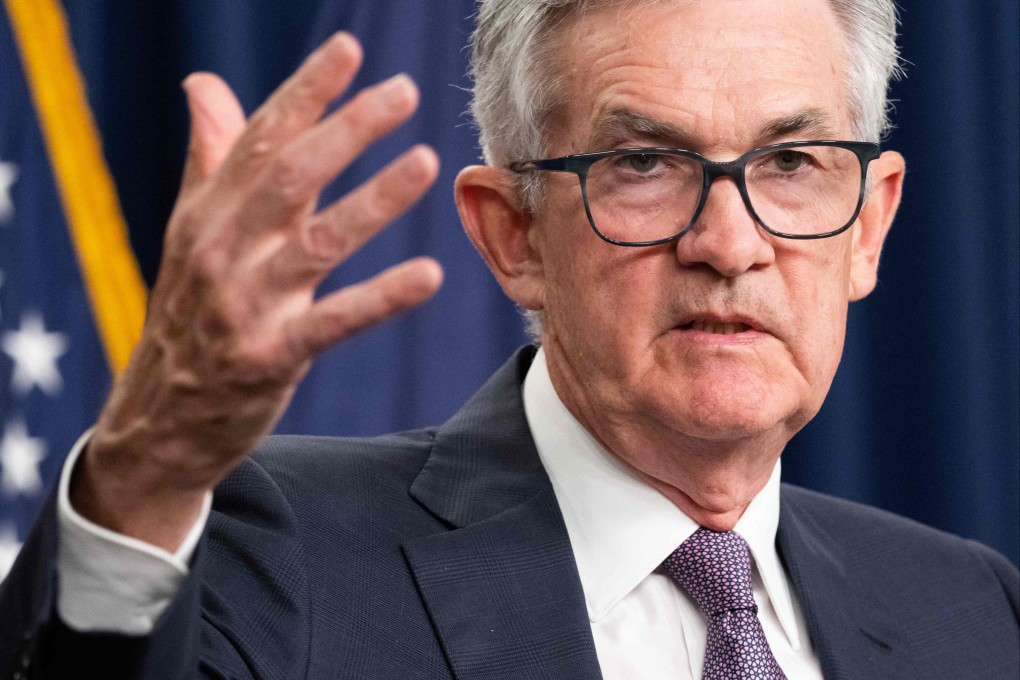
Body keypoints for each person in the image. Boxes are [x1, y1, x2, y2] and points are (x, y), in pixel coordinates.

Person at [1, 0, 1017, 677]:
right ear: (513, 234)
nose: (728, 242)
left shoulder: (973, 610)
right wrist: (149, 464)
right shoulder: (273, 556)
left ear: (868, 226)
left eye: (791, 163)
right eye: (645, 164)